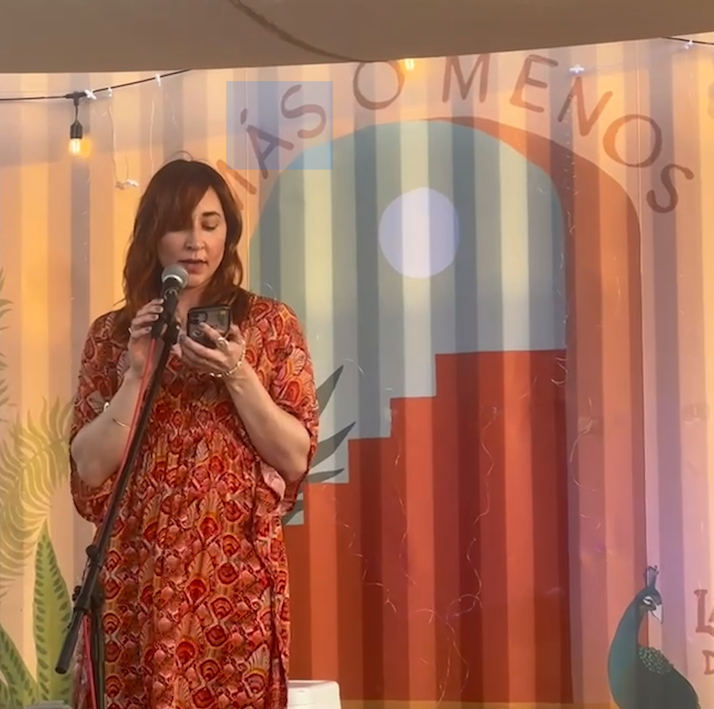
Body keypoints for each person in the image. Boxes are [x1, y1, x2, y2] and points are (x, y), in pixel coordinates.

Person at [69, 158, 319, 709]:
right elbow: (88, 468)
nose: (195, 242)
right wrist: (136, 373)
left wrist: (237, 373)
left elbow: (294, 457)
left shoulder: (268, 325)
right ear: (153, 234)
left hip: (233, 580)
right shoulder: (113, 335)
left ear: (228, 232)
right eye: (179, 225)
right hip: (135, 575)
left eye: (210, 224)